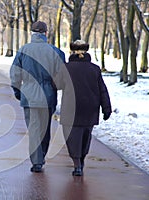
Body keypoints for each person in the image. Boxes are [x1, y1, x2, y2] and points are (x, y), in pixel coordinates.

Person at [10, 21, 65, 173]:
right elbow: (62, 76)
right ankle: (41, 156)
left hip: (29, 95)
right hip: (48, 96)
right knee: (45, 128)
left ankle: (37, 160)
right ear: (46, 34)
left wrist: (17, 89)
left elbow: (15, 73)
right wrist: (55, 86)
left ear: (32, 33)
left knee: (34, 129)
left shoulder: (23, 50)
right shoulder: (56, 51)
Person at [54, 40, 112, 176]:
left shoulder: (66, 68)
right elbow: (102, 90)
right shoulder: (95, 69)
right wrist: (106, 108)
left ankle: (77, 164)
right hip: (90, 108)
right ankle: (82, 159)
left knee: (72, 137)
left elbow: (56, 85)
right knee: (86, 136)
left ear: (72, 52)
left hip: (71, 108)